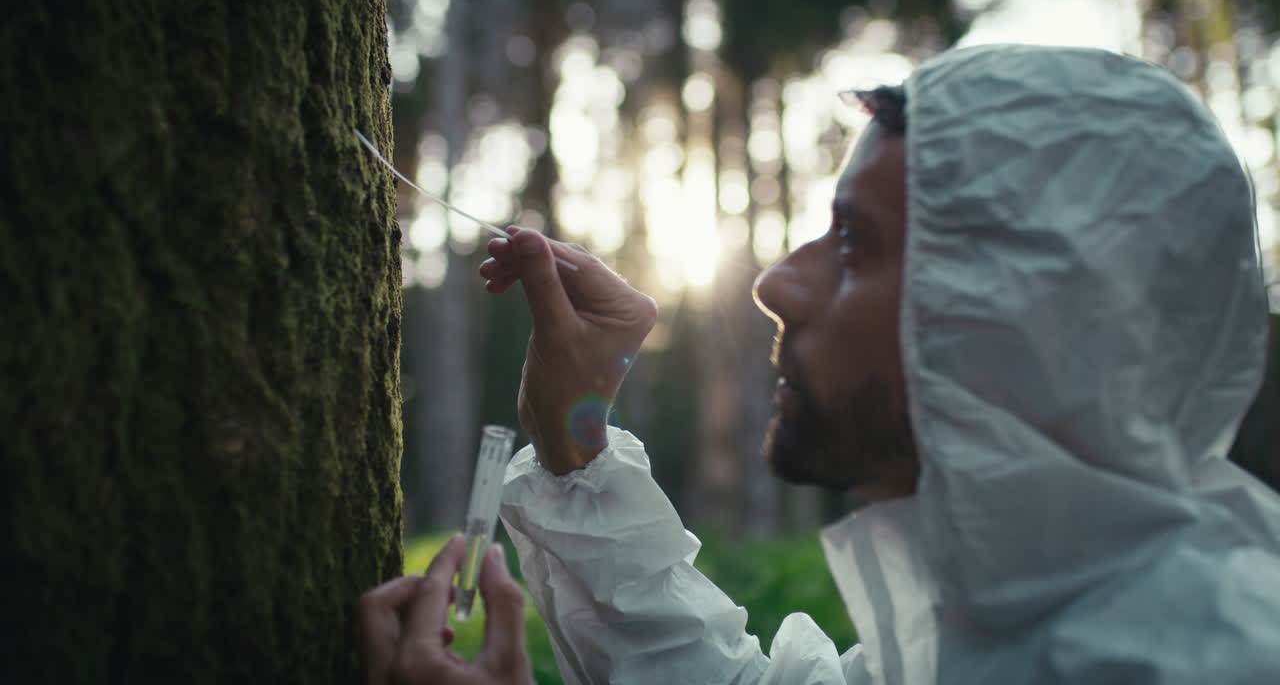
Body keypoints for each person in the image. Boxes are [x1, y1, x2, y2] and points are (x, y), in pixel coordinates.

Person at [360, 44, 1280, 684]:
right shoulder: (1026, 610)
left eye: (854, 244)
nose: (776, 283)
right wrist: (575, 447)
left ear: (1029, 318)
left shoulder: (1196, 661)